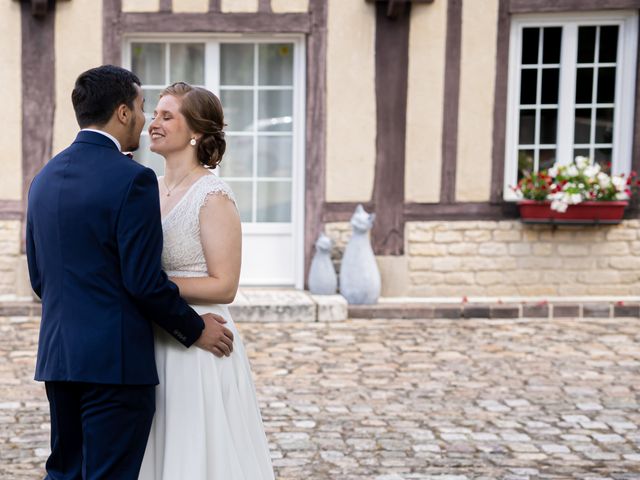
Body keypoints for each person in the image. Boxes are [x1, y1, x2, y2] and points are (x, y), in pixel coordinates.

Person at [26, 66, 234, 479]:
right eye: (142, 108)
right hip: (116, 364)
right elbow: (141, 281)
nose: (146, 120)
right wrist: (194, 329)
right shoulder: (132, 180)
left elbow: (39, 279)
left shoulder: (43, 178)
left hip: (59, 358)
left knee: (66, 472)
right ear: (122, 113)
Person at [138, 82, 274, 479]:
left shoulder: (213, 195)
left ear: (195, 131)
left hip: (199, 339)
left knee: (196, 449)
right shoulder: (149, 188)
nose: (154, 123)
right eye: (154, 114)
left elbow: (225, 284)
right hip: (155, 334)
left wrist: (152, 284)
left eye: (167, 116)